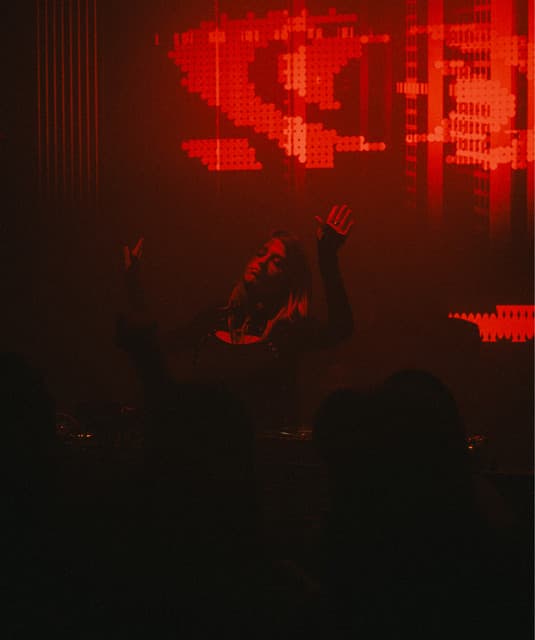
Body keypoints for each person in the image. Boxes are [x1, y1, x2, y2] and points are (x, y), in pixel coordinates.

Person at [116, 204, 355, 432]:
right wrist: (134, 288)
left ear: (288, 281)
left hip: (265, 452)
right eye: (261, 253)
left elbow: (341, 327)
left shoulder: (289, 331)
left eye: (276, 262)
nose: (263, 262)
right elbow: (159, 348)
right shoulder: (215, 318)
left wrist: (327, 256)